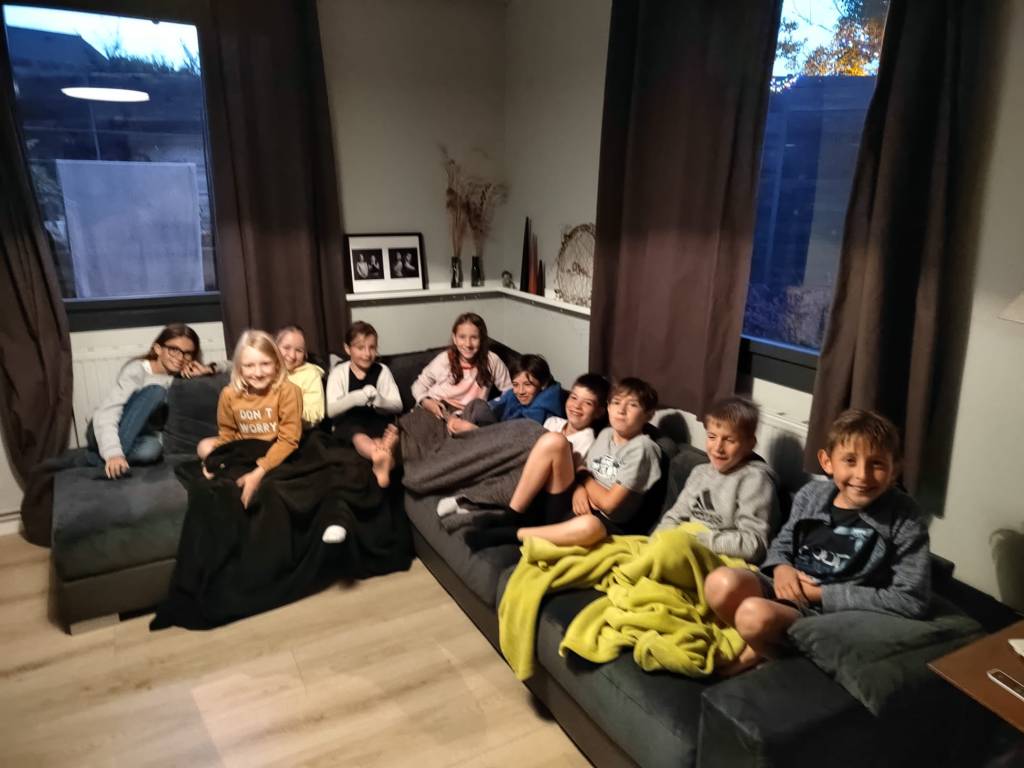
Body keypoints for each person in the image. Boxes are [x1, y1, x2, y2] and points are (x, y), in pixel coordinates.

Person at [704, 409, 932, 674]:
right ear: (827, 462)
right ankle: (759, 642)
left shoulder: (905, 517)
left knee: (752, 615)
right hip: (785, 589)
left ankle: (759, 654)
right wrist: (781, 568)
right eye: (850, 460)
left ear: (895, 470)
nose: (862, 475)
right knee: (719, 583)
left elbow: (910, 599)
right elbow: (782, 543)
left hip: (825, 612)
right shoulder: (812, 494)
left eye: (877, 464)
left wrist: (820, 593)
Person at [467, 377, 661, 549]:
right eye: (617, 402)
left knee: (590, 526)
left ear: (649, 414)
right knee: (555, 441)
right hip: (574, 504)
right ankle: (512, 515)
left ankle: (513, 535)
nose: (622, 410)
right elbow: (581, 470)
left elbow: (609, 505)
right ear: (608, 407)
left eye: (632, 405)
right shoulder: (606, 434)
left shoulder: (643, 448)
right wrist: (579, 489)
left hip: (604, 524)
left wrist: (583, 480)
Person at [196, 330, 318, 524]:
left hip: (277, 449)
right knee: (204, 450)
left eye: (265, 364)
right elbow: (227, 435)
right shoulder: (229, 394)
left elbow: (289, 440)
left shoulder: (289, 391)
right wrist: (216, 460)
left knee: (272, 487)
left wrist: (258, 472)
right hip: (244, 450)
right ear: (239, 367)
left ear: (277, 363)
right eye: (249, 366)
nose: (258, 373)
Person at [655, 396, 778, 563]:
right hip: (679, 549)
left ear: (750, 444)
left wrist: (694, 541)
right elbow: (673, 517)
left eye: (729, 440)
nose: (718, 448)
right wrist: (656, 543)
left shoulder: (754, 480)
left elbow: (754, 544)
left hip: (718, 559)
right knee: (625, 547)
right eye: (712, 437)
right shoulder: (700, 472)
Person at [87, 323, 215, 479]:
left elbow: (232, 366)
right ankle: (111, 460)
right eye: (174, 350)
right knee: (156, 391)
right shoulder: (138, 371)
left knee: (153, 449)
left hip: (136, 437)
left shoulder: (177, 377)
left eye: (187, 353)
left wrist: (210, 369)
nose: (180, 358)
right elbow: (108, 413)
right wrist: (113, 453)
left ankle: (96, 459)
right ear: (158, 349)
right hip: (105, 429)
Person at [325, 321, 403, 488]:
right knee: (357, 433)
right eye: (360, 348)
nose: (367, 354)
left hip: (376, 419)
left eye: (372, 347)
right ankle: (379, 454)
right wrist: (355, 398)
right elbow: (331, 411)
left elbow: (398, 405)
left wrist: (379, 401)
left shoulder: (382, 370)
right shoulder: (339, 372)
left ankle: (384, 455)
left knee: (391, 427)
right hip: (349, 422)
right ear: (348, 349)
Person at [411, 312, 512, 418]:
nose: (468, 344)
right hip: (438, 406)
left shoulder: (492, 361)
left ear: (482, 339)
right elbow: (419, 385)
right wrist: (425, 401)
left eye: (474, 337)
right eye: (462, 337)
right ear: (454, 338)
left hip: (467, 414)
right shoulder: (444, 360)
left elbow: (509, 391)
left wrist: (493, 407)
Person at [447, 354, 564, 434]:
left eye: (527, 384)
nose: (520, 391)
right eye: (515, 384)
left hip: (507, 444)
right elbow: (492, 406)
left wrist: (476, 431)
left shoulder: (547, 414)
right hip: (492, 432)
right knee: (477, 405)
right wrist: (456, 417)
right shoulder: (512, 396)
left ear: (543, 384)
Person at [276, 325, 325, 429]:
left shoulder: (310, 374)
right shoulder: (264, 368)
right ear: (275, 347)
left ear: (305, 354)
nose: (292, 355)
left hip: (298, 431)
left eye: (299, 350)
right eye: (286, 348)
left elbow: (315, 414)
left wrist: (290, 413)